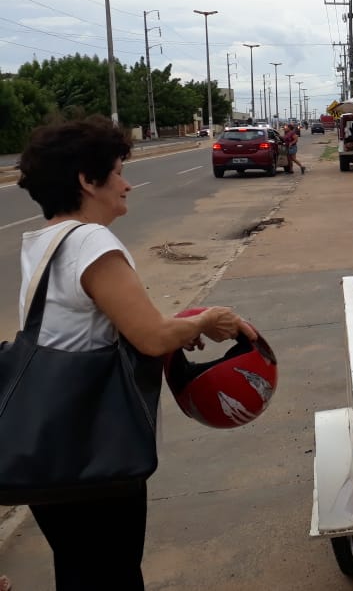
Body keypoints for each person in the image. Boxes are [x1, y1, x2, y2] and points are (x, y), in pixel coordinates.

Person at [16, 116, 257, 591]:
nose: (127, 185)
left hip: (51, 447)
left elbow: (99, 327)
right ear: (88, 180)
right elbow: (149, 338)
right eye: (119, 171)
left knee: (81, 570)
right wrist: (211, 321)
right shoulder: (89, 239)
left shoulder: (44, 242)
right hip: (93, 451)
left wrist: (176, 329)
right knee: (112, 574)